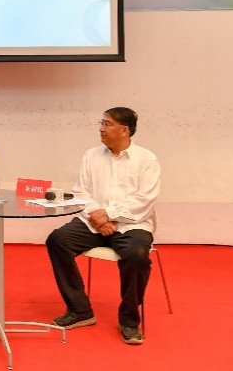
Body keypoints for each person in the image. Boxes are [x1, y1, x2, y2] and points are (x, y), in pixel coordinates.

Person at [45, 107, 161, 345]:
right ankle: (80, 310)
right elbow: (81, 193)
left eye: (107, 124)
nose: (101, 128)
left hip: (132, 224)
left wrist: (109, 215)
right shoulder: (91, 156)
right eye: (102, 123)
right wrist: (97, 218)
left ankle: (129, 320)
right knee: (57, 240)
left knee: (137, 255)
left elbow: (145, 201)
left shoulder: (147, 160)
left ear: (124, 130)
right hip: (92, 222)